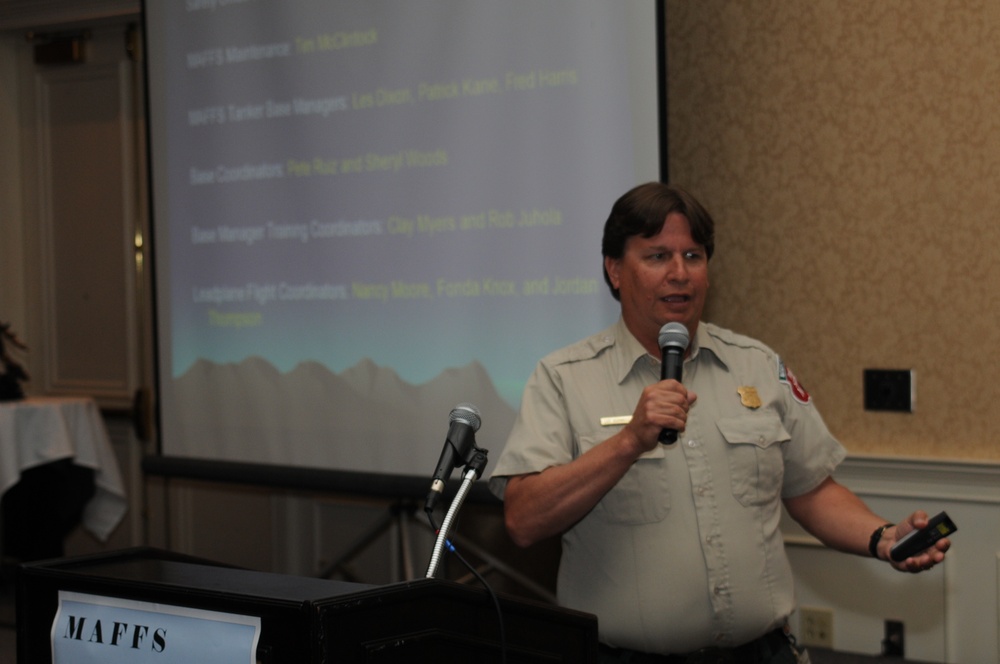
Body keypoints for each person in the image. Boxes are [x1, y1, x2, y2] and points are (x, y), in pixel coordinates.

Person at [488, 182, 949, 663]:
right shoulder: (563, 378)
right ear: (615, 270)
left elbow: (811, 490)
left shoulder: (756, 365)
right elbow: (523, 519)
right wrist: (627, 442)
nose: (679, 274)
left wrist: (883, 538)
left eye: (693, 255)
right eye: (657, 256)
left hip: (764, 653)